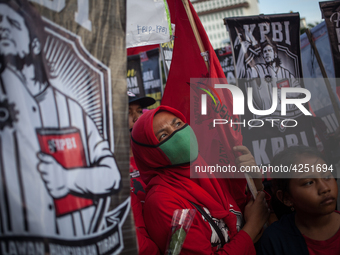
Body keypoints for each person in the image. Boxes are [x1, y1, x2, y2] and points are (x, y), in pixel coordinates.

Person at [0, 1, 121, 237]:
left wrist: (68, 178)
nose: (3, 29)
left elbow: (112, 175)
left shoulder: (73, 109)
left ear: (35, 44)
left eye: (12, 23)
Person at [131, 105, 269, 254]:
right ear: (150, 154)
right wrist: (250, 230)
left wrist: (256, 183)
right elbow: (254, 221)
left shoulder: (211, 171)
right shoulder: (162, 202)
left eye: (178, 124)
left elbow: (248, 211)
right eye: (163, 135)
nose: (178, 134)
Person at [257, 145, 340, 255]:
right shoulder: (274, 241)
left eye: (327, 177)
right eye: (309, 182)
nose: (325, 188)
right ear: (286, 198)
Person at [127, 91, 160, 255]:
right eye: (128, 112)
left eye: (139, 111)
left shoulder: (157, 156)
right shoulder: (107, 168)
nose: (137, 118)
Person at [237, 39, 300, 112]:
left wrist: (284, 93)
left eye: (269, 51)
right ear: (263, 55)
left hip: (289, 117)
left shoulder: (286, 73)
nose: (267, 53)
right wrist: (242, 54)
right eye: (265, 51)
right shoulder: (259, 70)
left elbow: (300, 92)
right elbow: (241, 75)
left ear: (275, 54)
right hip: (269, 119)